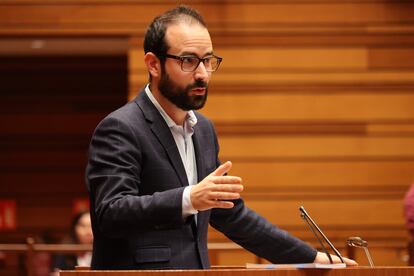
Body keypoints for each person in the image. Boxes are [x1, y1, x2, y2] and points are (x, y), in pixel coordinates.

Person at [86, 5, 357, 270]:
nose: (202, 73)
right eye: (188, 61)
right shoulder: (120, 127)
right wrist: (189, 198)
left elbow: (232, 215)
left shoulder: (203, 130)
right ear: (153, 64)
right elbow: (110, 212)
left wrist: (310, 258)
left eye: (207, 60)